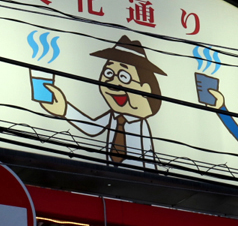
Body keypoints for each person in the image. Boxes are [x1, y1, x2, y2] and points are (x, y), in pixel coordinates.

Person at [37, 36, 164, 171]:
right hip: (108, 176)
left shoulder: (141, 125)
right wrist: (65, 110)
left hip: (136, 180)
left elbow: (149, 157)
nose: (113, 83)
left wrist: (152, 179)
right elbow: (92, 128)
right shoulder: (113, 117)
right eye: (108, 73)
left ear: (145, 89)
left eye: (124, 77)